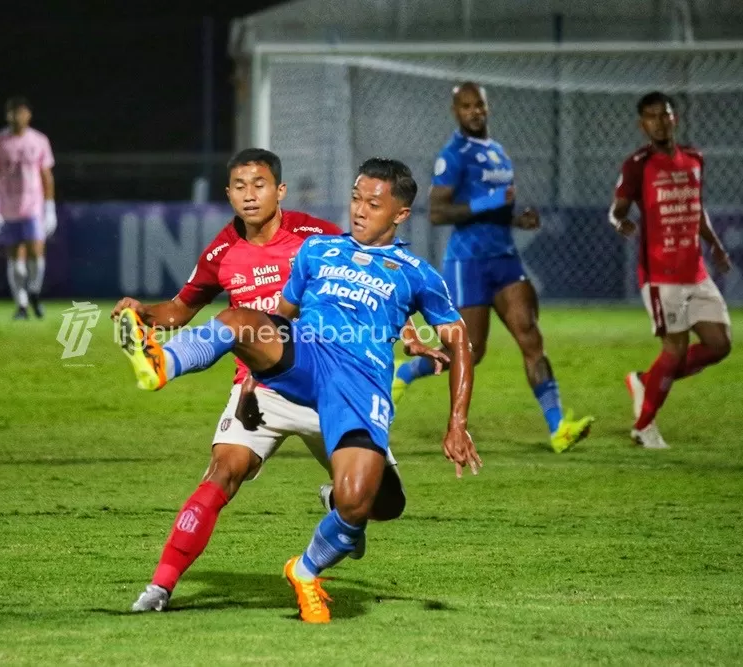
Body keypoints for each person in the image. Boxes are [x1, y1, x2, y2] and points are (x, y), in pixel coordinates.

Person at [116, 157, 480, 623]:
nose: (360, 210)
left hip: (355, 387)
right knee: (237, 327)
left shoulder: (396, 265)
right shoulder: (309, 252)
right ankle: (161, 364)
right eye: (355, 199)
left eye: (373, 203)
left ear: (400, 214)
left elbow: (450, 333)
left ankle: (309, 562)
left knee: (375, 503)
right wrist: (254, 374)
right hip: (296, 367)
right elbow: (277, 320)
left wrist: (455, 420)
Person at [391, 81, 594, 453]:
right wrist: (491, 202)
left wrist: (517, 219)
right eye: (466, 106)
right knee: (472, 350)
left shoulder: (499, 153)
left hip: (504, 258)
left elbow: (496, 206)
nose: (474, 112)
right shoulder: (453, 155)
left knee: (530, 336)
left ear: (487, 107)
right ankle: (405, 372)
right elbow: (437, 212)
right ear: (456, 111)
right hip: (468, 263)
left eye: (479, 105)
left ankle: (558, 428)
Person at [609, 91, 732, 449]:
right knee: (675, 350)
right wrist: (621, 223)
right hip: (661, 275)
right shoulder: (638, 164)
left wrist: (714, 244)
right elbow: (615, 211)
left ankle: (646, 381)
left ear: (674, 118)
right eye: (651, 117)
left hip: (695, 270)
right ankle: (643, 426)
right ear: (642, 124)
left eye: (664, 115)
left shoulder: (694, 158)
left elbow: (696, 207)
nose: (659, 122)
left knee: (719, 344)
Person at [0, 96, 57, 320]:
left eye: (21, 112)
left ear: (28, 115)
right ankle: (22, 305)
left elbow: (46, 174)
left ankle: (34, 292)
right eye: (13, 112)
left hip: (33, 207)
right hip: (8, 208)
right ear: (7, 115)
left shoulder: (39, 140)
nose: (17, 117)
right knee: (16, 260)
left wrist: (49, 206)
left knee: (36, 253)